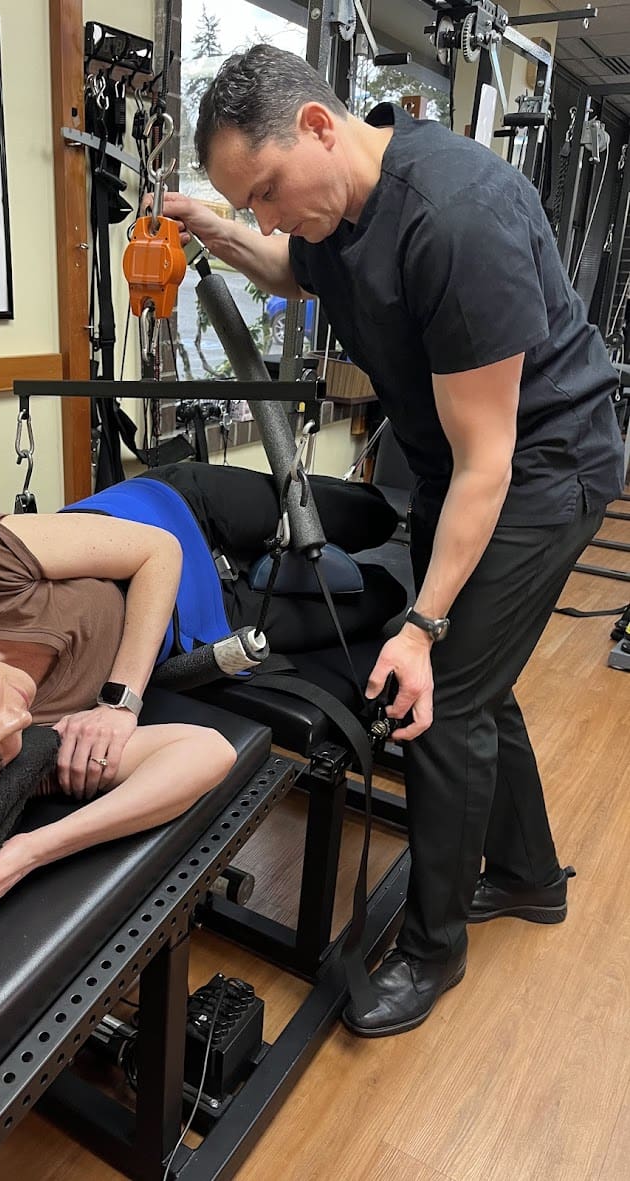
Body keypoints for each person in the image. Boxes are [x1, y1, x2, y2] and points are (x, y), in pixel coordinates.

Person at [162, 44, 626, 1037]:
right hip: (465, 467)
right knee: (473, 681)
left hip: (543, 472)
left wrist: (415, 627)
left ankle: (430, 952)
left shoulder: (454, 217)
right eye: (248, 201)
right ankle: (530, 876)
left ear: (320, 127)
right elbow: (295, 262)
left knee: (442, 697)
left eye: (267, 189)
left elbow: (488, 459)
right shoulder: (338, 204)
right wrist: (212, 228)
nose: (269, 216)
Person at [0, 461, 403, 997]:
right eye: (3, 744)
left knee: (370, 515)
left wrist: (117, 702)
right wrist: (26, 855)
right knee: (379, 596)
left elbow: (156, 552)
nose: (20, 717)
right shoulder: (3, 759)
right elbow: (202, 752)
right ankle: (314, 578)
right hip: (205, 622)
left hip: (176, 511)